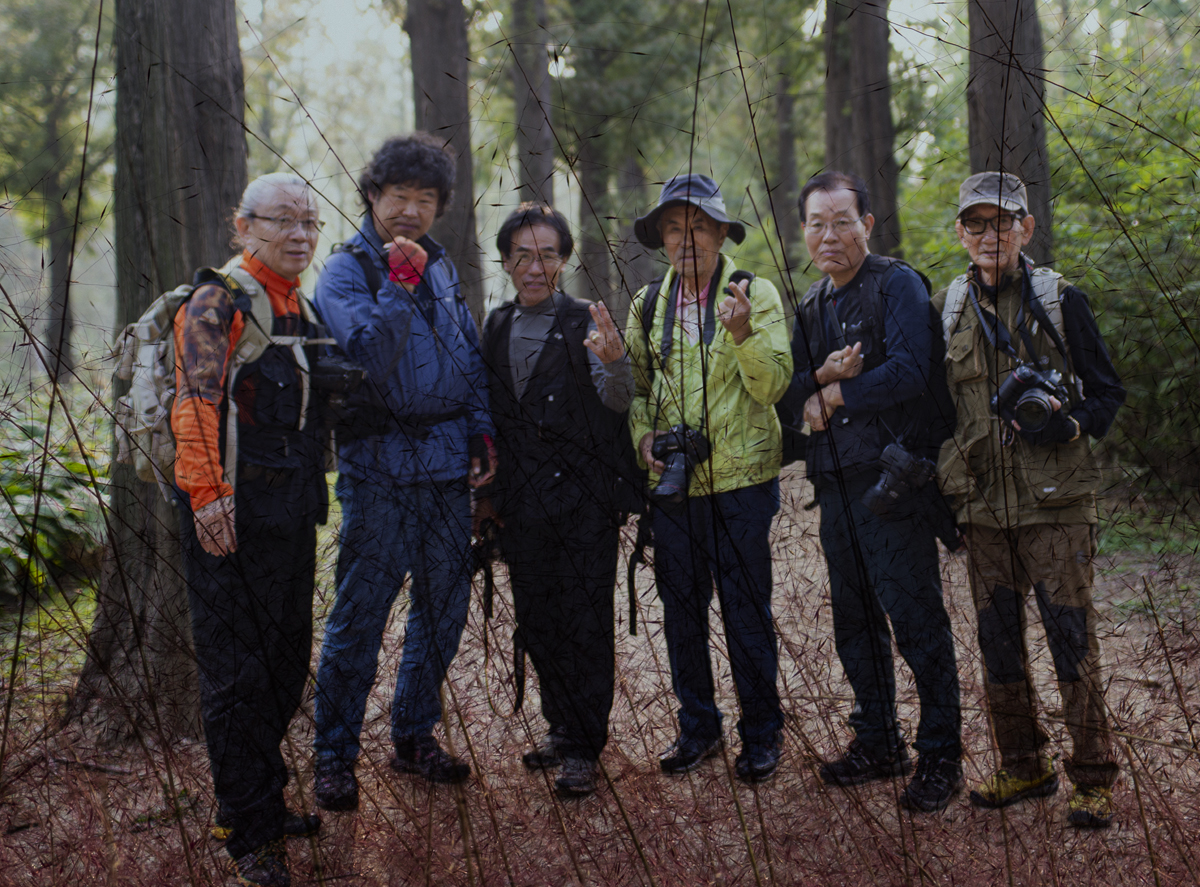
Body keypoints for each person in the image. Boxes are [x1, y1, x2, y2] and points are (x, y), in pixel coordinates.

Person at [936, 171, 1125, 827]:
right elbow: (940, 412)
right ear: (961, 233)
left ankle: (1093, 776)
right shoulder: (949, 307)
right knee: (999, 645)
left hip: (1057, 504)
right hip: (985, 506)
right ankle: (1024, 765)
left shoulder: (1060, 300)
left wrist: (1069, 425)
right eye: (977, 224)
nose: (990, 235)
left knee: (1071, 638)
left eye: (1003, 222)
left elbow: (1107, 392)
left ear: (1026, 228)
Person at [311, 133, 494, 808]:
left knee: (442, 612)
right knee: (359, 618)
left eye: (425, 199)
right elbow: (367, 355)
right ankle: (333, 755)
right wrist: (400, 281)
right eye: (398, 196)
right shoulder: (346, 271)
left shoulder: (441, 265)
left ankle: (414, 736)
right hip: (378, 470)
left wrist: (482, 431)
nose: (411, 211)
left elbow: (469, 354)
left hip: (445, 468)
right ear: (372, 196)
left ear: (440, 205)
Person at [781, 170, 963, 812]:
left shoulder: (897, 284)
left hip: (893, 482)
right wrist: (814, 385)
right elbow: (790, 389)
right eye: (817, 224)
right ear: (804, 231)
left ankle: (941, 755)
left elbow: (914, 370)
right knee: (854, 620)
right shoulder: (812, 303)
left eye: (842, 222)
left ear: (867, 224)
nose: (829, 236)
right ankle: (879, 741)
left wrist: (837, 393)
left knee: (915, 620)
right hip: (834, 484)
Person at [173, 172, 327, 886]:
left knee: (284, 663)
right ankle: (250, 833)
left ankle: (257, 798)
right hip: (228, 515)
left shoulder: (296, 304)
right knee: (237, 675)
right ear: (244, 226)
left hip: (288, 513)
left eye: (310, 222)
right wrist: (207, 498)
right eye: (284, 220)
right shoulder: (217, 301)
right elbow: (194, 399)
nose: (300, 234)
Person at [626, 173, 792, 783]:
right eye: (674, 228)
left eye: (699, 226)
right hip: (675, 486)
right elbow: (638, 390)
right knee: (681, 613)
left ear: (722, 234)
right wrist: (643, 436)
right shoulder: (647, 304)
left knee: (746, 611)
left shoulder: (755, 292)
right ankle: (698, 727)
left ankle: (762, 734)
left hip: (742, 482)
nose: (686, 239)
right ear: (662, 239)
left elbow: (773, 386)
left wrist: (742, 331)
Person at [474, 203, 634, 796]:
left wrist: (615, 363)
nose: (534, 267)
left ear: (564, 260)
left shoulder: (586, 319)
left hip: (584, 501)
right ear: (506, 261)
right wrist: (486, 497)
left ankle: (584, 745)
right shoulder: (496, 325)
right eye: (522, 255)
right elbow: (490, 415)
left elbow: (618, 400)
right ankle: (560, 726)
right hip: (521, 504)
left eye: (546, 254)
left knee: (585, 621)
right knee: (537, 620)